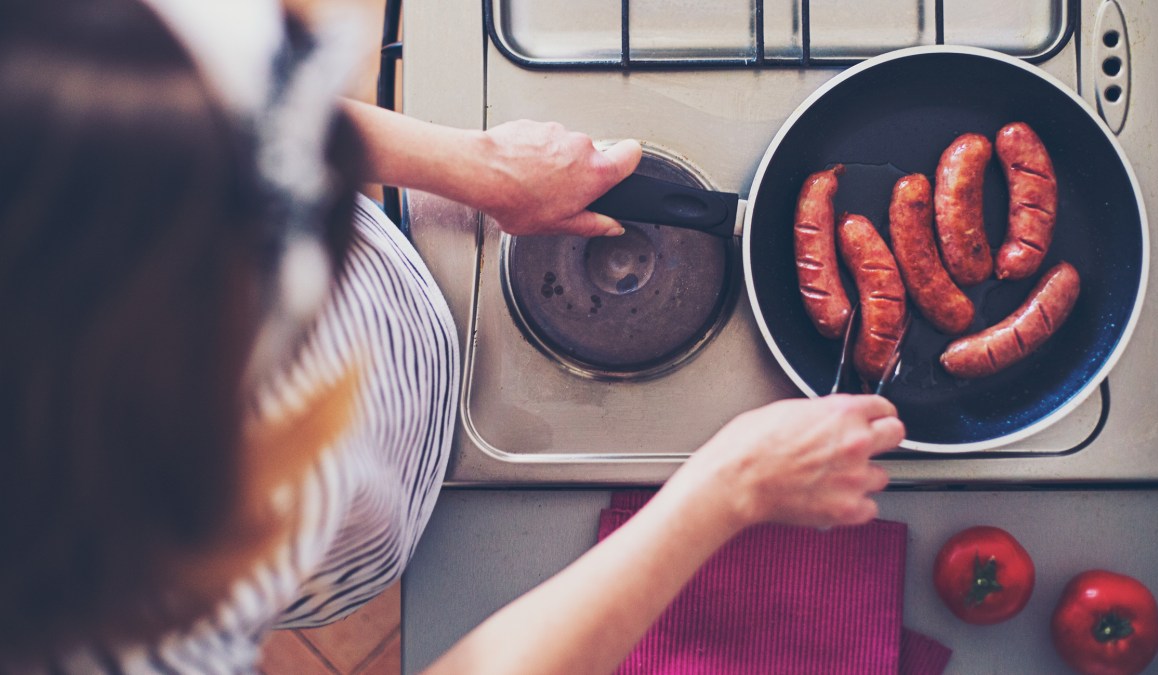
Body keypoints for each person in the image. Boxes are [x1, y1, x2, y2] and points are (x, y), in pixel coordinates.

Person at [0, 0, 902, 672]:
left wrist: (473, 167)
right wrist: (723, 490)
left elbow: (208, 103)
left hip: (390, 346)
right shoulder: (107, 634)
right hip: (336, 531)